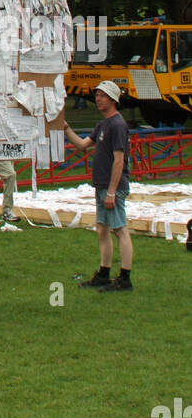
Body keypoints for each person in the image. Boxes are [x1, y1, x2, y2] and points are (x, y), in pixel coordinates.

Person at [63, 79, 133, 291]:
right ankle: (104, 273)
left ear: (112, 100)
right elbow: (83, 145)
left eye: (102, 95)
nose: (98, 99)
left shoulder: (118, 125)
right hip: (101, 185)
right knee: (102, 229)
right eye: (97, 95)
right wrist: (65, 127)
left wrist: (112, 191)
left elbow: (119, 160)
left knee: (120, 229)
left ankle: (125, 278)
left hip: (113, 187)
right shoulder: (102, 125)